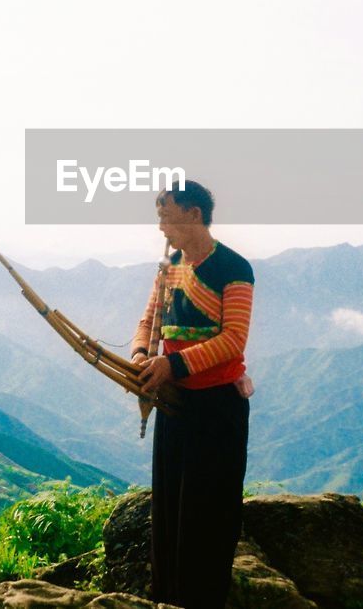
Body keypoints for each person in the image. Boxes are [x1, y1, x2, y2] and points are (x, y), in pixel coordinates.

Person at [131, 180, 254, 609]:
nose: (161, 226)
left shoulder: (233, 268)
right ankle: (168, 597)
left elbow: (233, 339)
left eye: (166, 215)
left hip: (216, 409)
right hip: (175, 406)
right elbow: (150, 319)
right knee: (170, 510)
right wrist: (143, 355)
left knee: (207, 513)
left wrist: (173, 364)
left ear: (194, 214)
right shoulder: (168, 268)